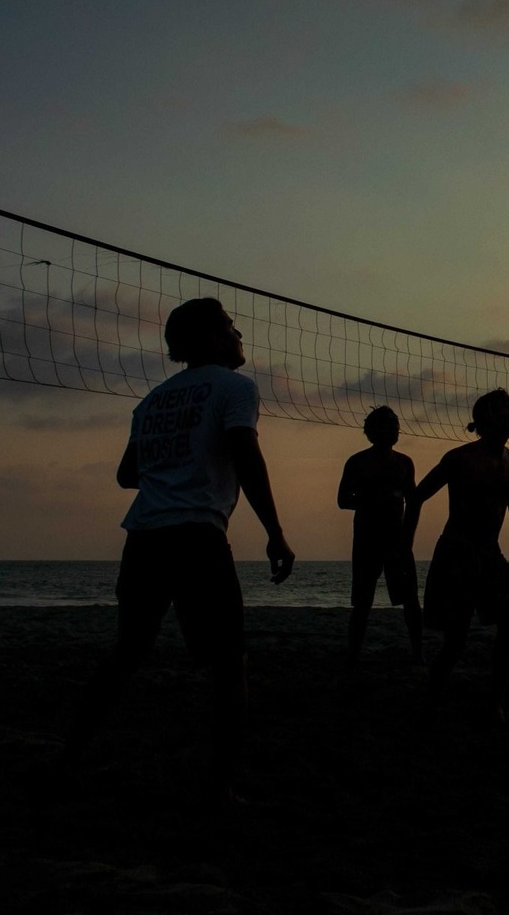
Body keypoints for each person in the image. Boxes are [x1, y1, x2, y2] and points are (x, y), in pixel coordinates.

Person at [64, 297, 297, 805]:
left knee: (126, 655)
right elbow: (245, 453)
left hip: (144, 537)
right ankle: (222, 786)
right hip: (196, 535)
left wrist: (172, 456)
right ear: (212, 338)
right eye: (232, 329)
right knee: (228, 665)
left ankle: (69, 758)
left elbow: (128, 474)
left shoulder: (151, 401)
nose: (240, 338)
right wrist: (275, 531)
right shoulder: (236, 387)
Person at [403, 388, 509, 721]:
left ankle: (495, 701)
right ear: (491, 416)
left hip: (490, 554)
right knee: (457, 638)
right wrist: (404, 547)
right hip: (457, 552)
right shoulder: (460, 458)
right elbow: (418, 496)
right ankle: (431, 700)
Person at [338, 406, 423, 662]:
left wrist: (407, 540)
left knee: (410, 599)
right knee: (363, 600)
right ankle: (353, 654)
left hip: (397, 539)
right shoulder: (357, 462)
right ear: (372, 432)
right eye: (388, 426)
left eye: (395, 425)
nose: (393, 430)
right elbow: (342, 500)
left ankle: (418, 653)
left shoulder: (404, 463)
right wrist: (371, 499)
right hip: (367, 538)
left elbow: (414, 502)